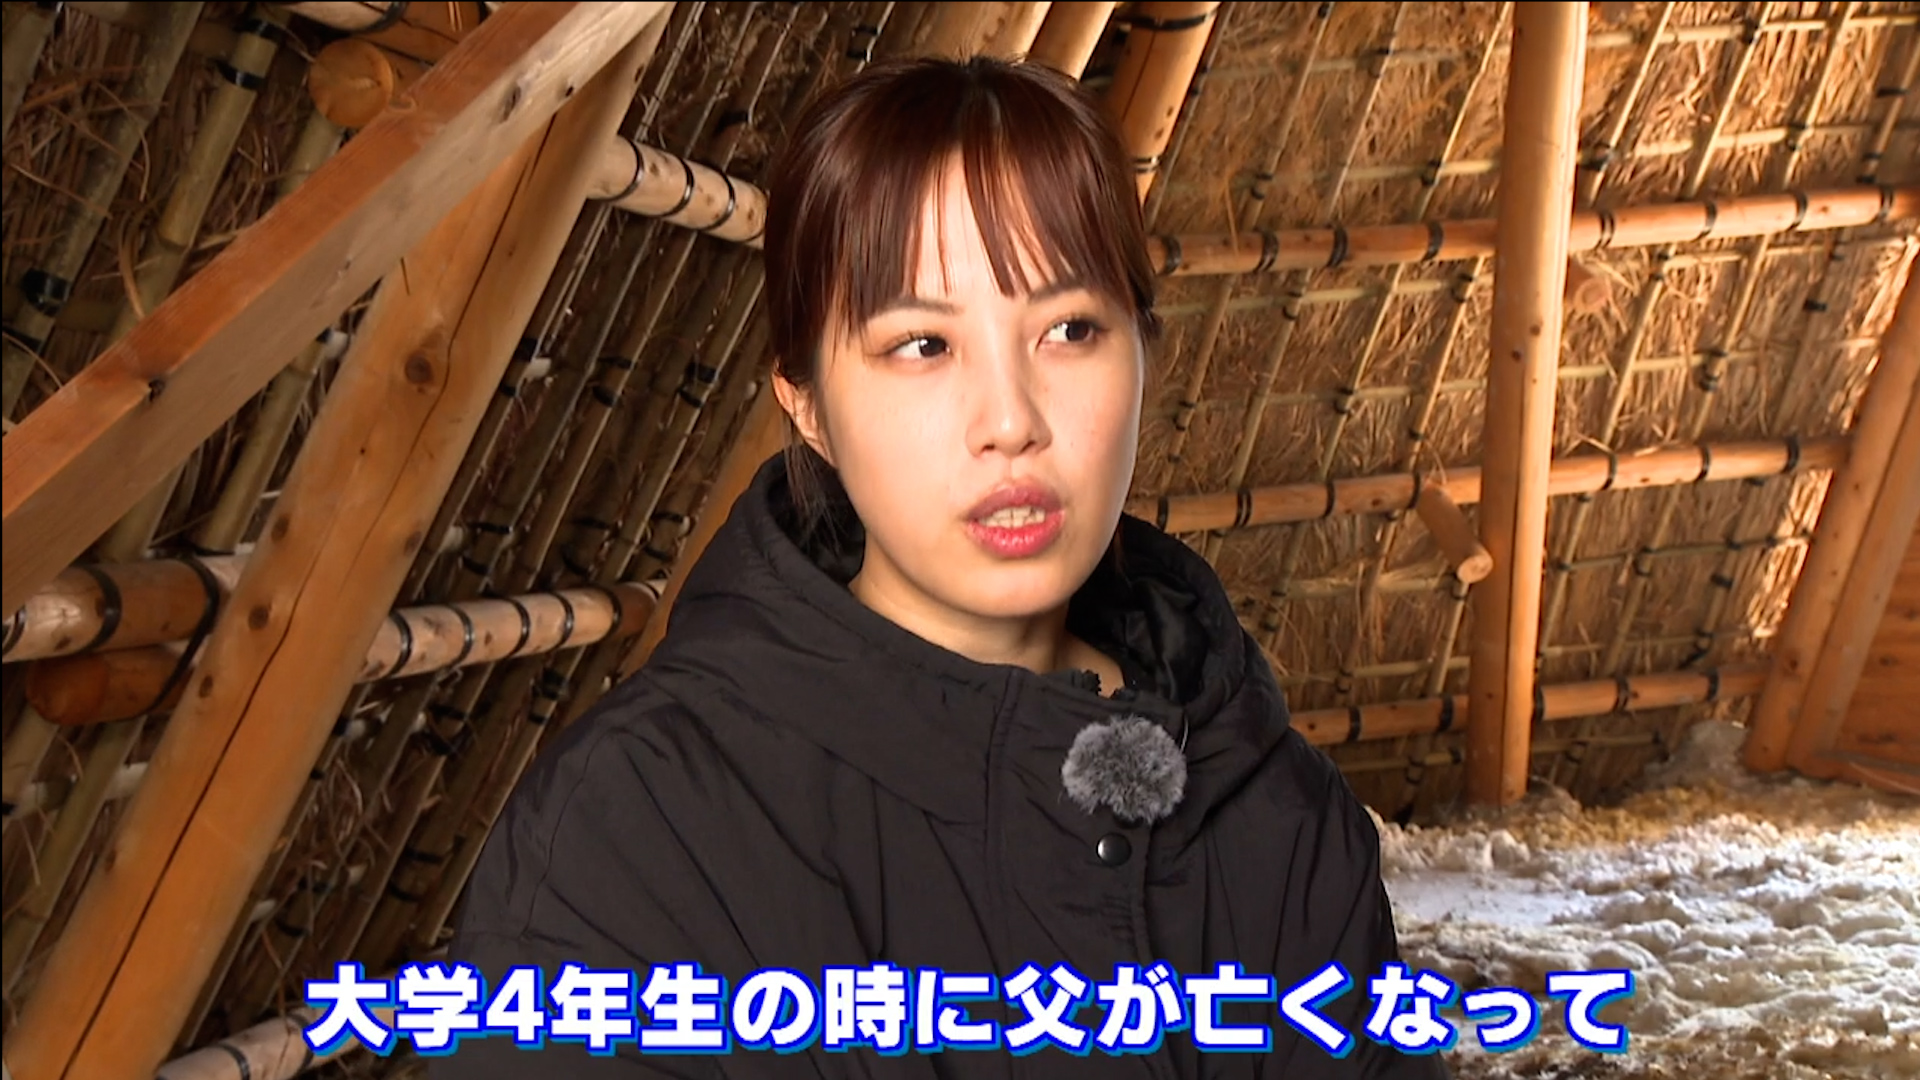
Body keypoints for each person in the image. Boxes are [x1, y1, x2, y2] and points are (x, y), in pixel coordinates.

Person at [431, 55, 1447, 1079]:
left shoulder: (1277, 807)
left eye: (1070, 330)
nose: (1010, 420)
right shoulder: (634, 830)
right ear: (807, 403)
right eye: (921, 344)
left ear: (1144, 353)